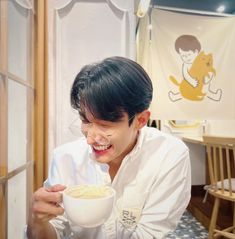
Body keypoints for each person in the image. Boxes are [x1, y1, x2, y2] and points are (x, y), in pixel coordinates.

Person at [27, 56, 191, 239]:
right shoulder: (66, 157)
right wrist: (37, 222)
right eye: (85, 120)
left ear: (141, 120)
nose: (91, 139)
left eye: (105, 124)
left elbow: (150, 233)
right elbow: (55, 231)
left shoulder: (169, 155)